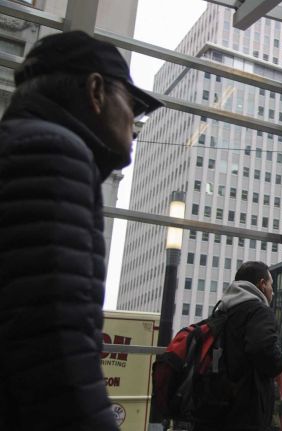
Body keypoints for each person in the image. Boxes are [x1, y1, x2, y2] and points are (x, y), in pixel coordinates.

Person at [0, 31, 162, 431]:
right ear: (95, 91)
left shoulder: (21, 144)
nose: (136, 125)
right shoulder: (54, 154)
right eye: (134, 106)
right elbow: (55, 347)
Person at [192, 261, 282, 430]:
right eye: (271, 284)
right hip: (246, 410)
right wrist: (279, 362)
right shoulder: (260, 311)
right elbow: (261, 348)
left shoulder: (221, 311)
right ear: (262, 285)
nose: (273, 290)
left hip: (215, 406)